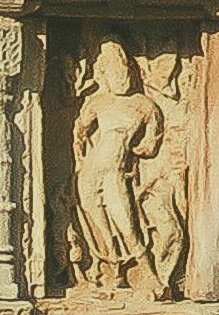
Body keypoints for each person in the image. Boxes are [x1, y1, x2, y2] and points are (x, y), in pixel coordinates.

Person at [66, 37, 180, 296]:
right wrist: (80, 153)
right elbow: (80, 130)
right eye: (114, 71)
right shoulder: (98, 102)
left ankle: (150, 275)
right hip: (91, 170)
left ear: (132, 69)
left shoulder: (144, 105)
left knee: (126, 223)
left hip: (115, 171)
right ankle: (112, 269)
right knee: (97, 220)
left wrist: (138, 150)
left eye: (125, 70)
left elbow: (151, 145)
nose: (121, 77)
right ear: (104, 73)